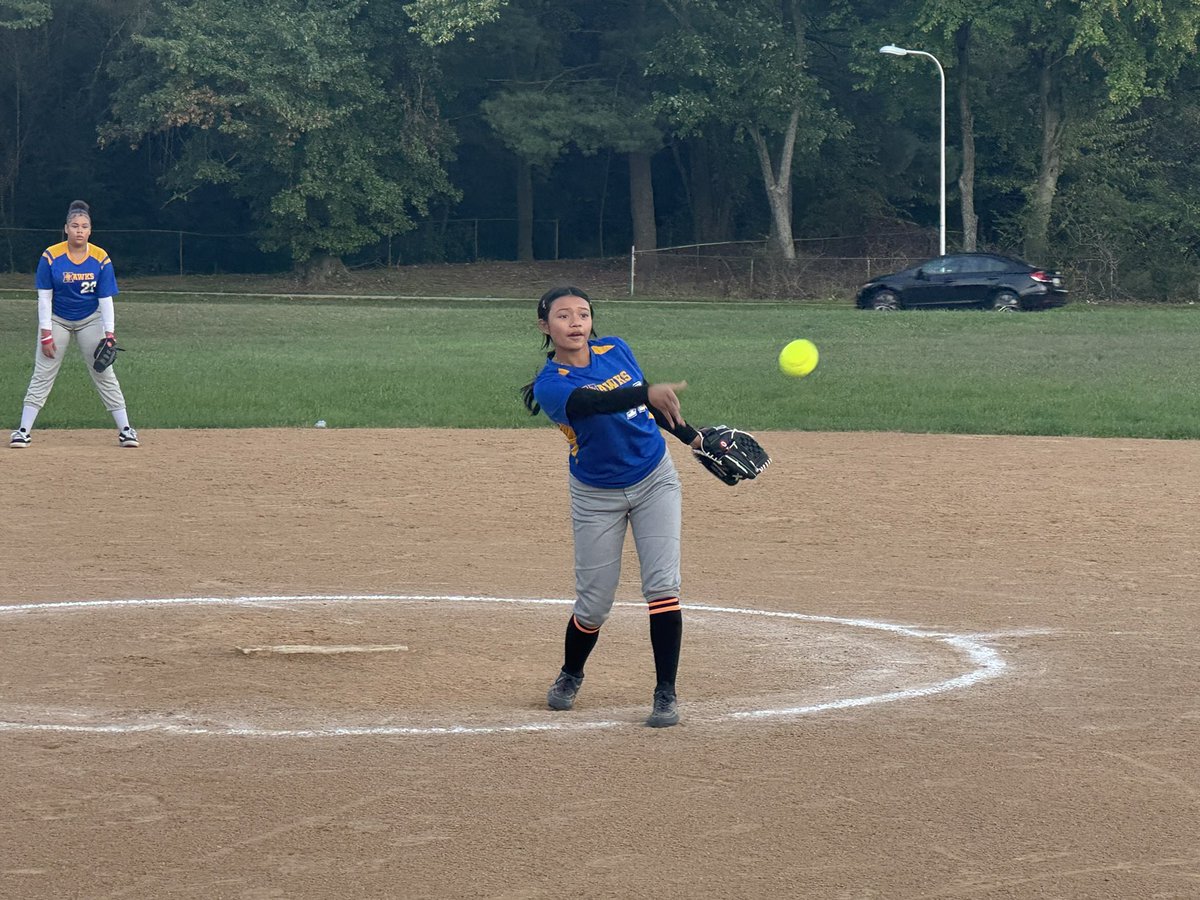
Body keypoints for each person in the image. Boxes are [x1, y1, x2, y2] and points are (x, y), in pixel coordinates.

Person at [522, 285, 707, 728]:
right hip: (596, 496)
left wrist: (693, 437)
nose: (575, 323)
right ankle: (571, 673)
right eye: (563, 316)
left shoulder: (616, 349)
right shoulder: (553, 385)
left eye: (582, 314)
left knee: (663, 587)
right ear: (545, 327)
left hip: (654, 479)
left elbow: (651, 409)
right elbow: (596, 403)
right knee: (593, 604)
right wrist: (644, 391)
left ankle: (666, 693)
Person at [10, 200, 139, 449]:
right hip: (57, 318)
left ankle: (125, 429)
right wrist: (46, 333)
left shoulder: (100, 257)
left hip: (90, 319)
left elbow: (105, 299)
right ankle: (23, 431)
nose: (79, 230)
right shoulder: (51, 256)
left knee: (103, 372)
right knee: (44, 371)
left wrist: (109, 334)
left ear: (90, 231)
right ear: (66, 229)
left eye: (84, 226)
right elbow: (45, 297)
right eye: (74, 225)